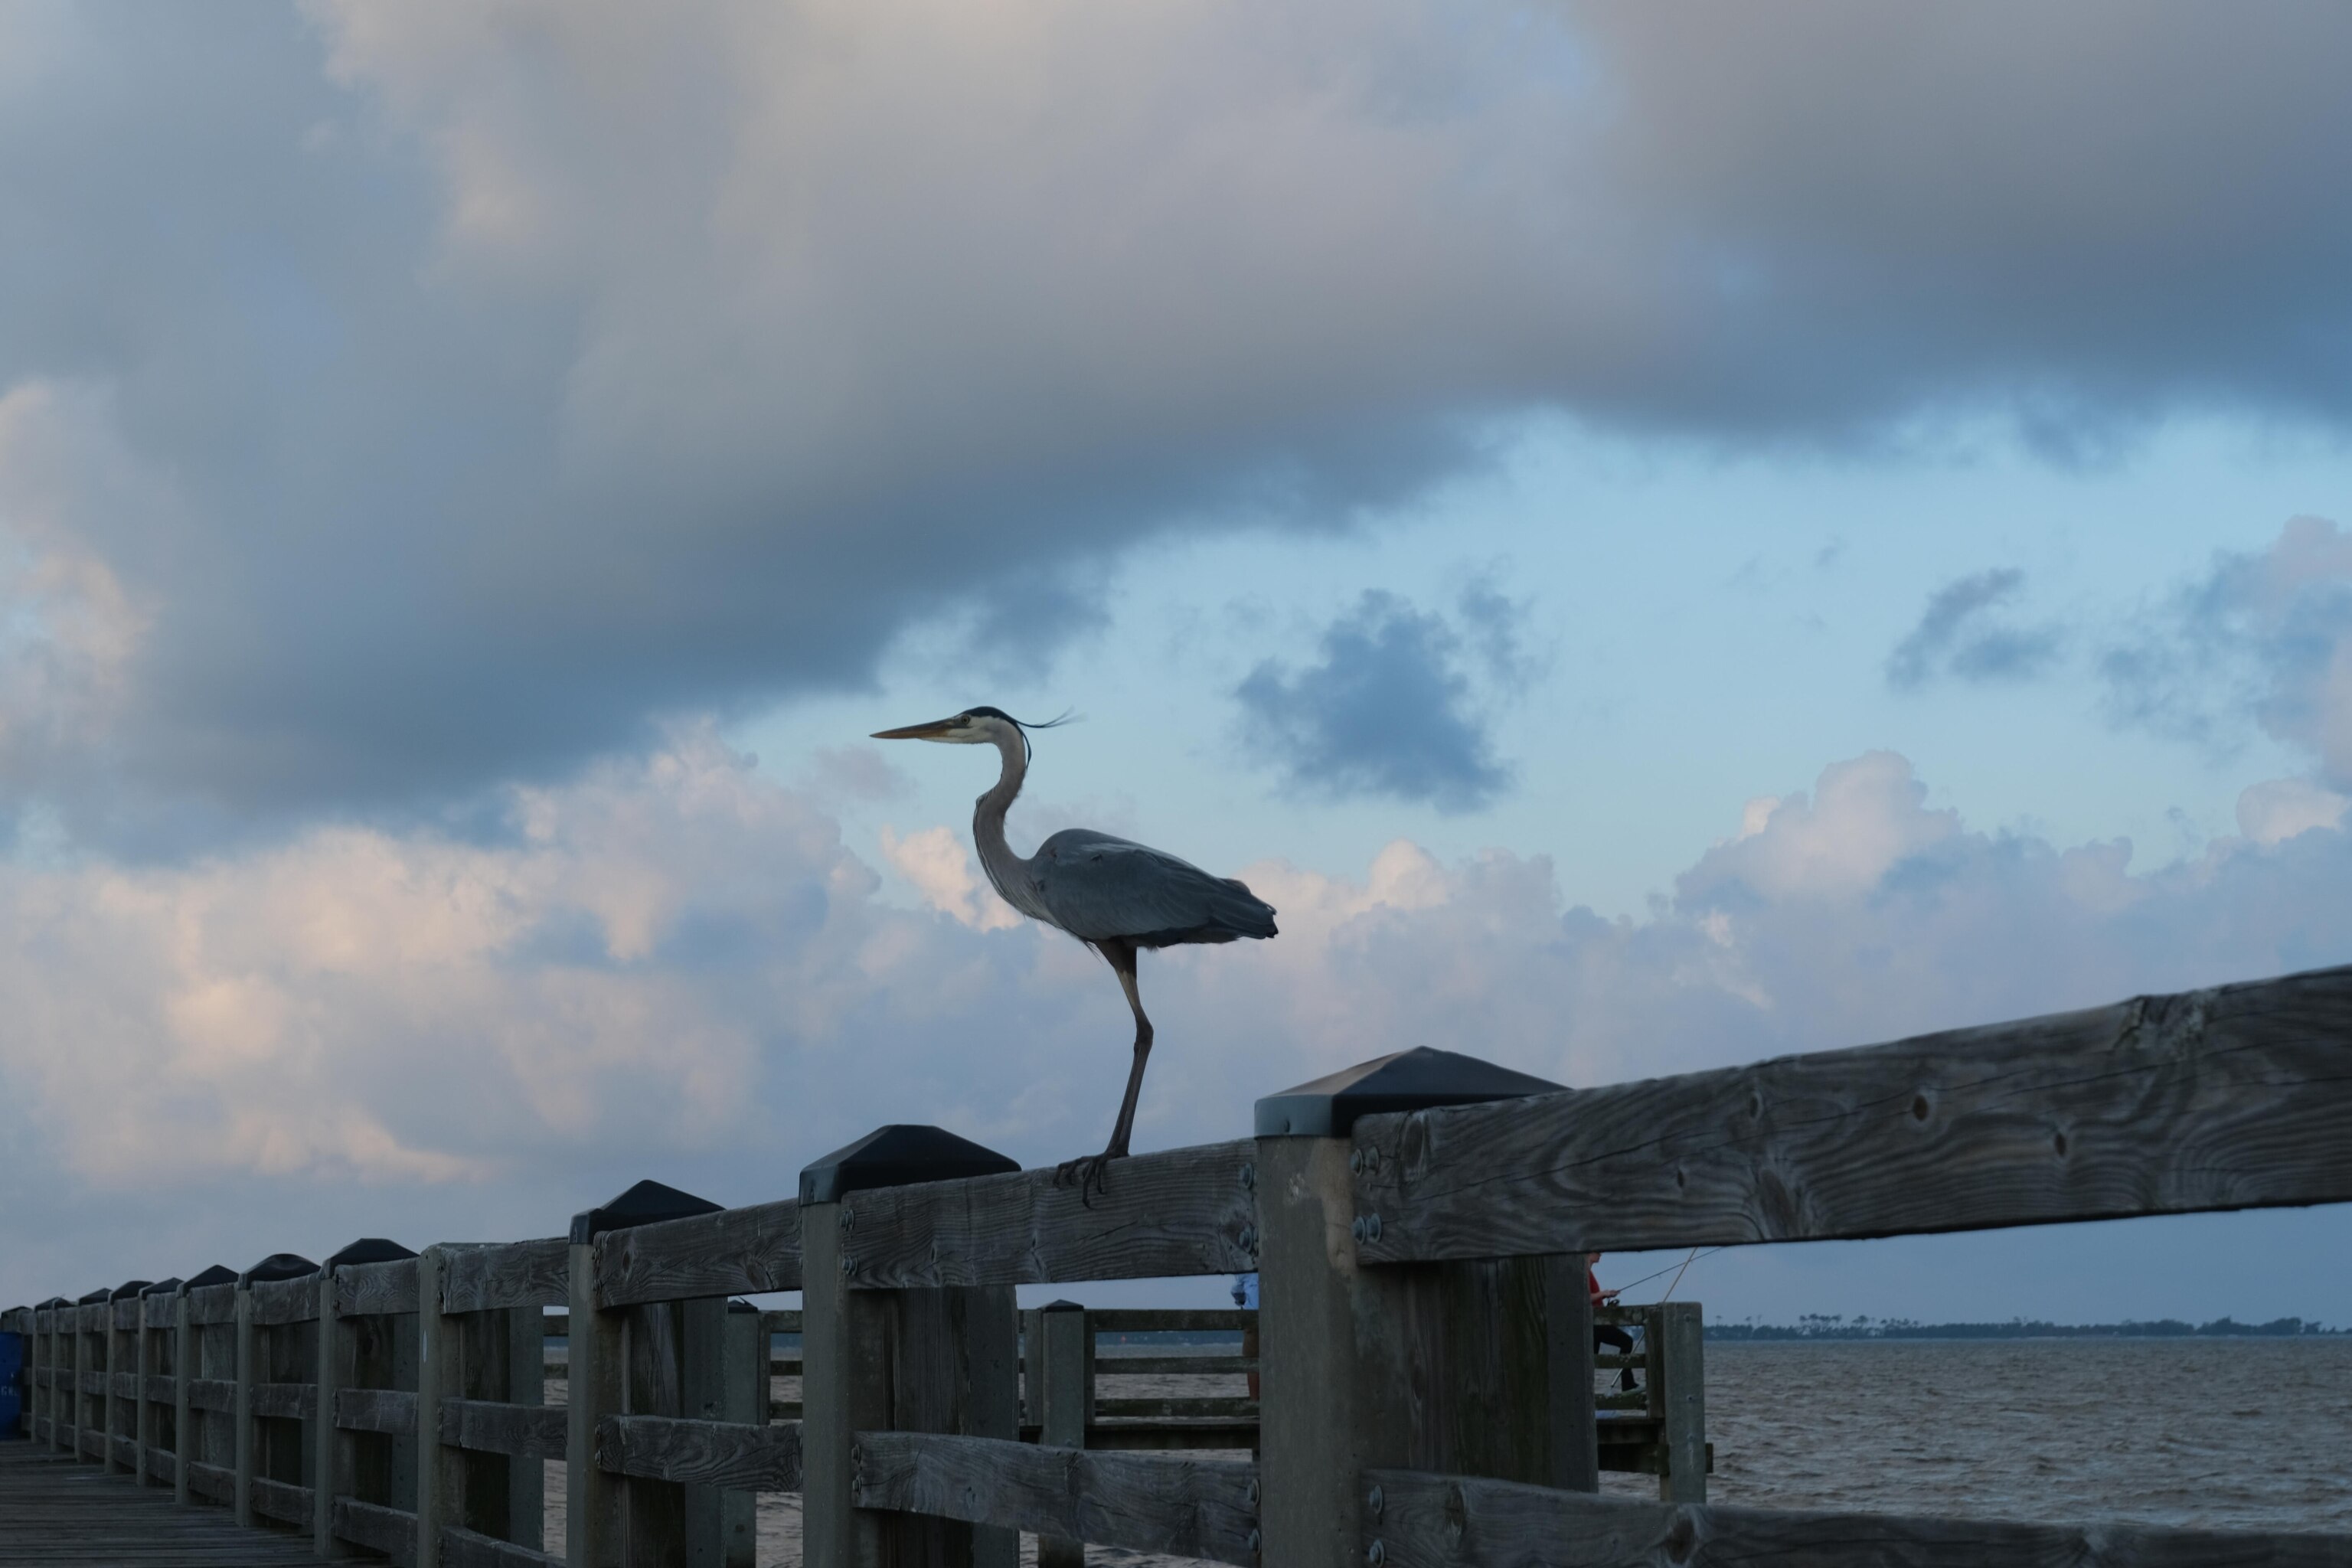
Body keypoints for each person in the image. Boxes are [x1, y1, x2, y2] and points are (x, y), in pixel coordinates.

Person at [1589, 1253, 1638, 1392]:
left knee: (1590, 1360)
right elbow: (1584, 1296)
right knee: (1626, 1341)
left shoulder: (1589, 1273)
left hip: (1597, 1321)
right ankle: (1627, 1384)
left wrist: (1607, 1297)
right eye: (1597, 1251)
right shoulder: (1583, 1272)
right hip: (1594, 1324)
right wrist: (1604, 1293)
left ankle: (1586, 1392)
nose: (1600, 1254)